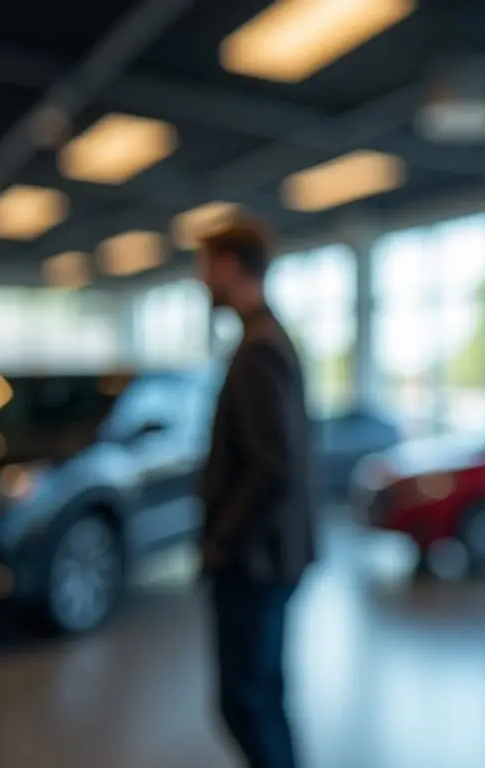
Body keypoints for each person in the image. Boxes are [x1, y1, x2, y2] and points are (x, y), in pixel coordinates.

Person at [195, 214, 316, 768]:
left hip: (254, 561)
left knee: (245, 701)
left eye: (206, 266)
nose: (202, 280)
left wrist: (222, 541)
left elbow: (273, 467)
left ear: (229, 266)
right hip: (268, 557)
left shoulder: (259, 350)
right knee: (263, 695)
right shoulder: (267, 339)